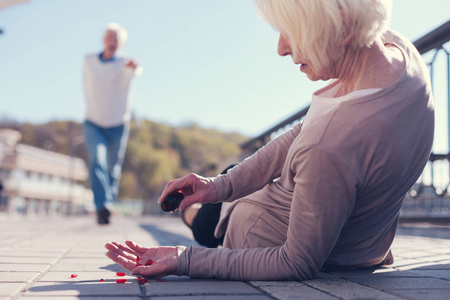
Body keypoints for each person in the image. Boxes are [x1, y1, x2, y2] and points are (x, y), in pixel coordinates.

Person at [105, 0, 434, 280]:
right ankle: (206, 199)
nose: (281, 48)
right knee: (226, 182)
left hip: (259, 234)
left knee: (204, 220)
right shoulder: (401, 55)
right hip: (356, 245)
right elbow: (299, 134)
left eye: (291, 31)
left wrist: (184, 258)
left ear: (343, 28)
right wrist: (218, 185)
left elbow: (297, 262)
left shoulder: (330, 144)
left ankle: (186, 214)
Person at [83, 23, 142, 225]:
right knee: (96, 161)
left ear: (121, 43)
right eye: (109, 37)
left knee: (112, 168)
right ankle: (102, 207)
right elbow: (86, 85)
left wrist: (134, 68)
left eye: (116, 38)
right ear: (104, 39)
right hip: (93, 122)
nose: (112, 41)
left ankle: (107, 201)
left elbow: (136, 71)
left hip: (118, 123)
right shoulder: (89, 61)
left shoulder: (126, 63)